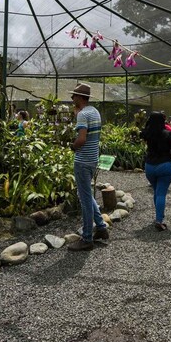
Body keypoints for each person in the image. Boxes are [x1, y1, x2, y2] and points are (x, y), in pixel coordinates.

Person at [67, 83, 109, 251]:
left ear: (80, 97)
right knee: (86, 194)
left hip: (82, 161)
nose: (72, 98)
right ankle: (101, 228)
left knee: (84, 200)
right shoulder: (94, 111)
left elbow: (82, 139)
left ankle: (86, 238)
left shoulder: (83, 115)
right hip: (92, 159)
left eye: (74, 96)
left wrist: (72, 146)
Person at [141, 112, 171, 231]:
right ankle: (159, 220)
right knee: (161, 193)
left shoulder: (147, 134)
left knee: (157, 191)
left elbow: (142, 137)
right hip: (164, 166)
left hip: (149, 167)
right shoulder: (167, 134)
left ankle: (159, 215)